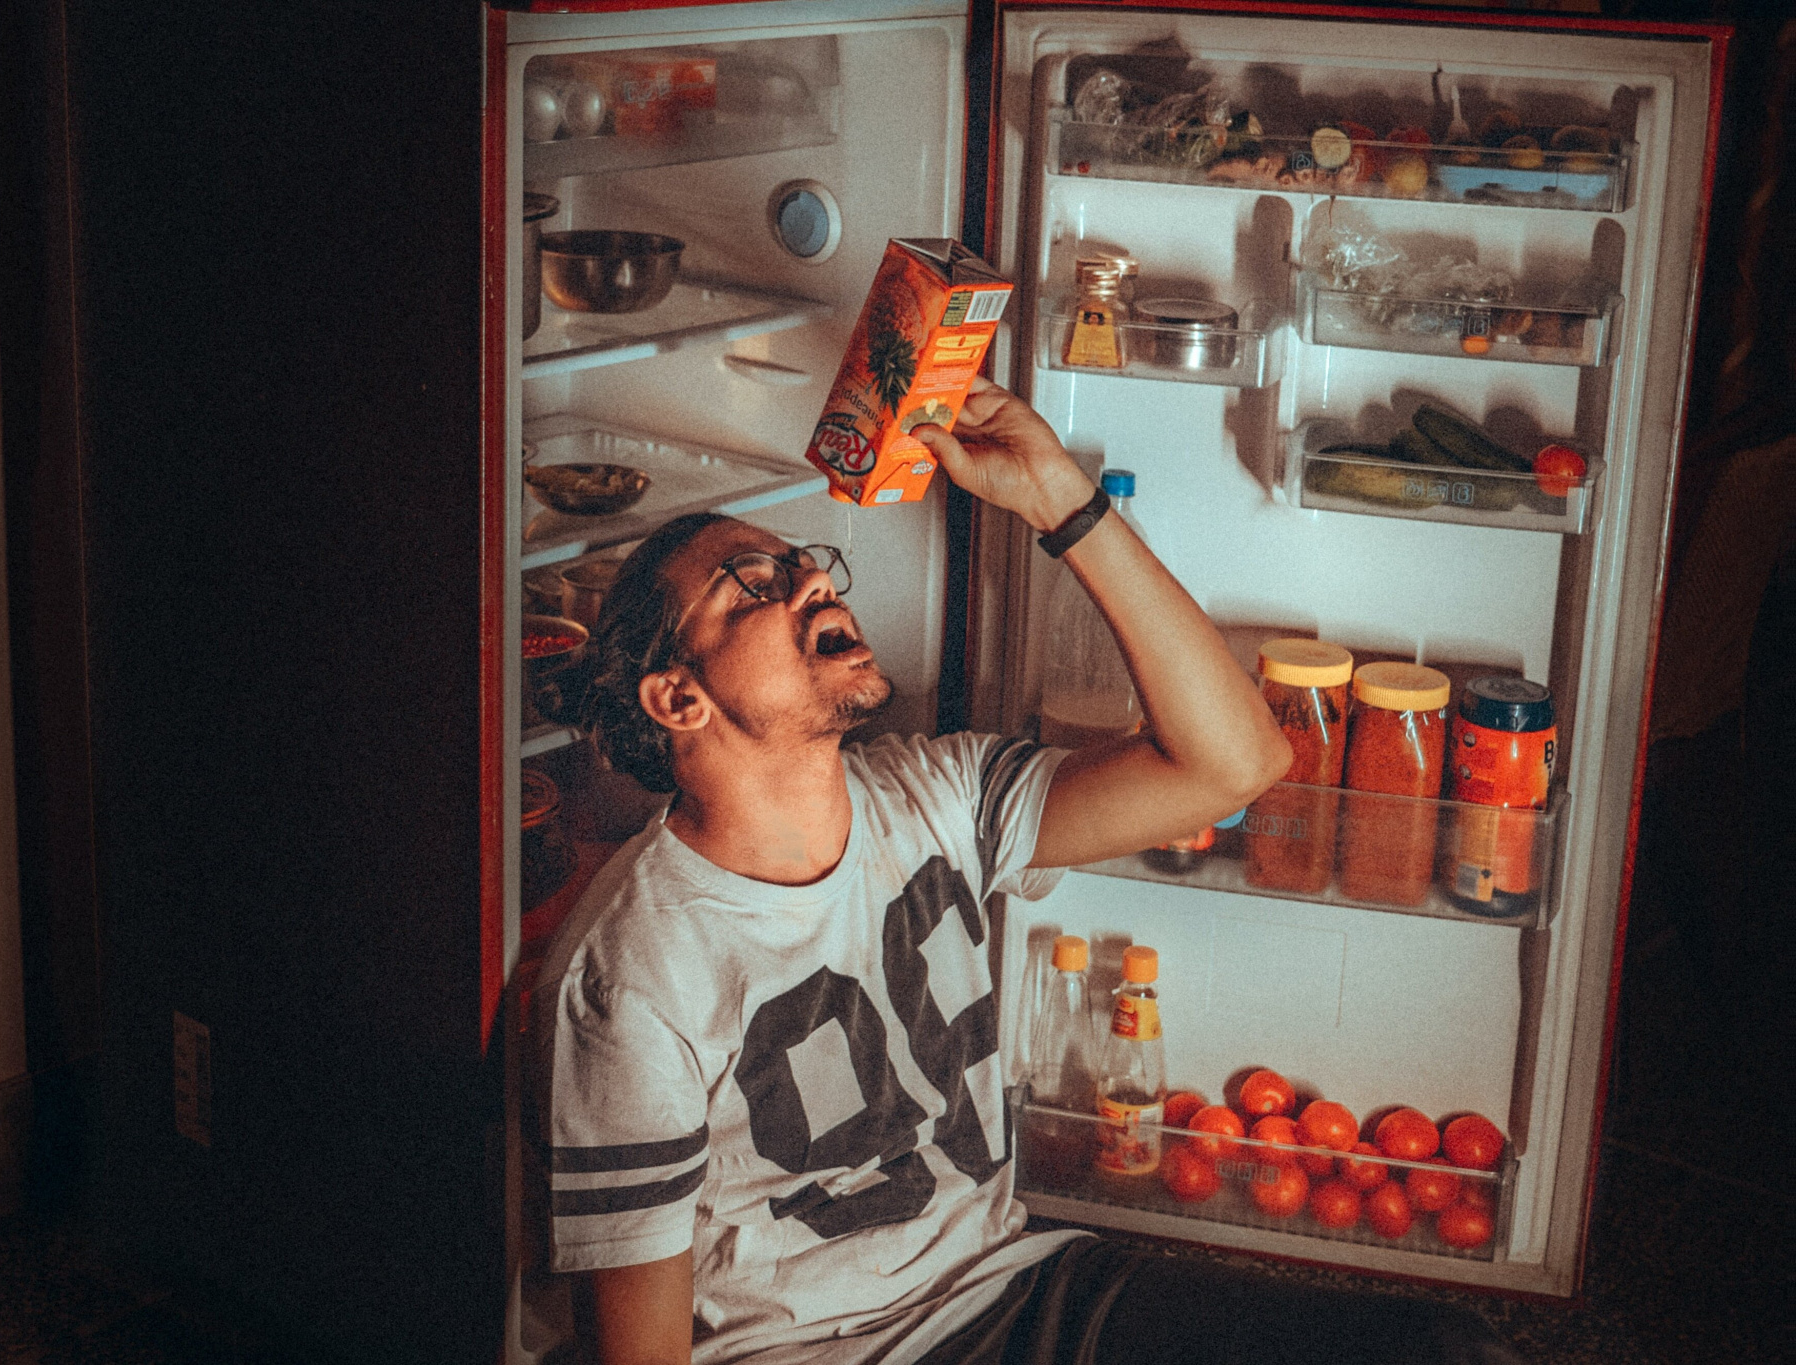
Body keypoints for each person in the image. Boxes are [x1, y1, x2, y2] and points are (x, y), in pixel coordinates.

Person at [535, 378, 1521, 1365]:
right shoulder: (633, 974)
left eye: (806, 564)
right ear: (678, 699)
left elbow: (1237, 762)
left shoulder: (936, 792)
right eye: (753, 585)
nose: (812, 583)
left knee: (1451, 1351)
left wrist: (1061, 499)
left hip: (1018, 1290)